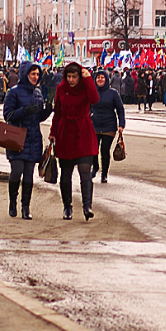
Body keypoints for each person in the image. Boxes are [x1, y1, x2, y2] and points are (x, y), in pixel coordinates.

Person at [3, 61, 53, 219]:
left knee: (29, 176)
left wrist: (47, 111)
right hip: (16, 138)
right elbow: (8, 115)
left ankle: (26, 207)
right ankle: (12, 201)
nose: (35, 77)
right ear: (25, 74)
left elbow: (37, 118)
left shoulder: (38, 93)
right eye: (33, 74)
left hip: (33, 138)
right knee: (16, 172)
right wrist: (24, 110)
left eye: (37, 74)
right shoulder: (13, 92)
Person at [49, 63, 99, 221]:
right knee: (66, 173)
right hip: (65, 133)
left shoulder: (85, 88)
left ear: (79, 76)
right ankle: (67, 207)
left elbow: (95, 99)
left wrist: (89, 79)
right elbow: (57, 112)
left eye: (74, 77)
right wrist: (53, 133)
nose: (71, 80)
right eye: (69, 76)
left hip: (83, 131)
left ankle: (87, 206)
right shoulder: (60, 89)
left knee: (85, 171)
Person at [90, 69, 125, 184]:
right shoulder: (92, 92)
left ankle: (104, 174)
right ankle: (95, 168)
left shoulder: (113, 93)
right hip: (94, 125)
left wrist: (121, 124)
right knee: (93, 150)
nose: (100, 79)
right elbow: (86, 106)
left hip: (109, 126)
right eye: (98, 77)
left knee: (105, 150)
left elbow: (120, 109)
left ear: (106, 79)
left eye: (102, 77)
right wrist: (89, 114)